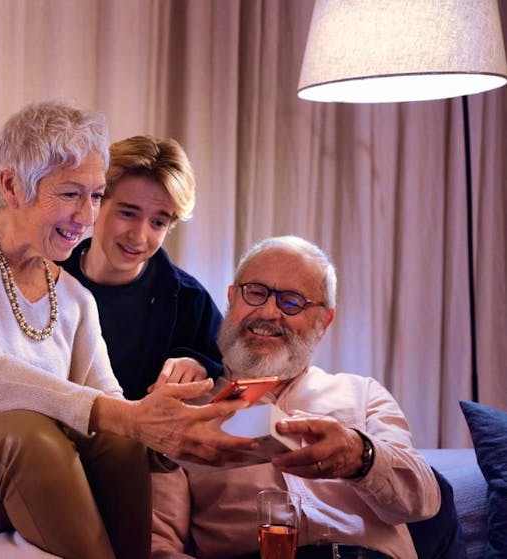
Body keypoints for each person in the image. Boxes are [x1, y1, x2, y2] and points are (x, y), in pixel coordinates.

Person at [0, 100, 257, 559]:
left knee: (118, 441)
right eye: (70, 194)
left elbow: (113, 408)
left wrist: (168, 430)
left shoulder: (76, 299)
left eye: (97, 195)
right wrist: (126, 417)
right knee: (28, 437)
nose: (87, 216)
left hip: (20, 481)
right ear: (11, 185)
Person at [151, 236, 441, 559]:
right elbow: (159, 545)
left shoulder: (363, 394)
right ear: (232, 300)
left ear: (324, 321)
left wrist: (358, 456)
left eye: (292, 302)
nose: (269, 312)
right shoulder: (191, 410)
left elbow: (423, 500)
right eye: (256, 293)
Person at [59, 135, 222, 400]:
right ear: (96, 202)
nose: (139, 236)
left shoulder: (190, 300)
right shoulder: (43, 274)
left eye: (158, 222)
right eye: (128, 213)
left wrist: (200, 365)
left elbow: (224, 362)